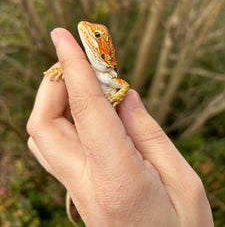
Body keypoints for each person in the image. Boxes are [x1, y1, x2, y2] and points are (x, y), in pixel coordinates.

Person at [27, 28, 214, 227]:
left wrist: (116, 97)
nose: (89, 33)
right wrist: (63, 70)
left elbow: (123, 86)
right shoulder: (95, 70)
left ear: (105, 51)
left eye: (97, 36)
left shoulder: (110, 75)